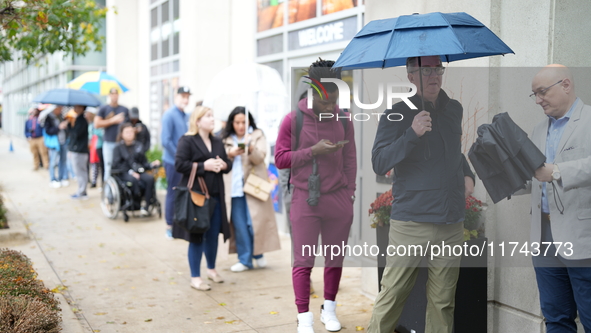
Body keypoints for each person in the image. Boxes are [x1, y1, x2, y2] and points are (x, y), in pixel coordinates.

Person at [367, 56, 475, 333]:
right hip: (412, 220)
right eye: (426, 70)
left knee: (443, 302)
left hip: (451, 219)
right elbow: (379, 162)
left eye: (437, 69)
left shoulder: (454, 109)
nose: (434, 76)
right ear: (411, 76)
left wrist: (468, 174)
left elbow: (454, 151)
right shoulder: (396, 113)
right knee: (393, 295)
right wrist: (411, 133)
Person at [275, 59, 357, 333]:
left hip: (338, 199)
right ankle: (304, 318)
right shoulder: (293, 120)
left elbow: (350, 159)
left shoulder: (343, 118)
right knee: (303, 261)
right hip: (304, 198)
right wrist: (313, 151)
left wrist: (350, 195)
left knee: (335, 259)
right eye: (324, 100)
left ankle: (329, 310)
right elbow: (280, 159)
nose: (329, 106)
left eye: (334, 98)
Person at [515, 65, 591, 332]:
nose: (538, 100)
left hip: (582, 237)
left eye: (542, 92)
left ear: (566, 85)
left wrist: (557, 171)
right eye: (534, 95)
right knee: (556, 319)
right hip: (543, 237)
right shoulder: (538, 130)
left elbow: (553, 172)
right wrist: (504, 179)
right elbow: (534, 176)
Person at [174, 106, 232, 291]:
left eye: (212, 116)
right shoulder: (187, 140)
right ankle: (195, 277)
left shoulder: (217, 141)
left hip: (215, 196)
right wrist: (203, 166)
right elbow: (179, 164)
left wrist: (224, 165)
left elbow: (228, 164)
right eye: (208, 116)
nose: (212, 119)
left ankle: (211, 269)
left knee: (213, 235)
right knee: (197, 236)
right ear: (197, 121)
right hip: (196, 197)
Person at [222, 107, 281, 272]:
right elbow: (220, 158)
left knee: (254, 222)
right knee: (239, 225)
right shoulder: (226, 138)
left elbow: (260, 158)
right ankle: (245, 259)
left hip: (254, 186)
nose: (240, 126)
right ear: (232, 123)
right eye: (237, 122)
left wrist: (250, 147)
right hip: (234, 188)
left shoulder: (257, 135)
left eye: (243, 122)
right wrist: (231, 153)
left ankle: (258, 254)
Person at [111, 123, 160, 216]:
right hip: (124, 173)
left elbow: (143, 162)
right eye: (127, 132)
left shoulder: (138, 146)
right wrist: (131, 172)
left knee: (150, 179)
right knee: (133, 180)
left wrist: (151, 164)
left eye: (131, 132)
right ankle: (133, 203)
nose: (130, 134)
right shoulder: (117, 148)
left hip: (138, 171)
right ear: (122, 134)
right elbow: (116, 165)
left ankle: (147, 206)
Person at [162, 86, 191, 239]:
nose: (185, 100)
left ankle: (178, 223)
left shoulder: (185, 115)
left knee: (182, 192)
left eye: (187, 97)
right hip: (172, 162)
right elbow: (165, 141)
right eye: (182, 96)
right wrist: (180, 155)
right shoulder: (169, 115)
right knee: (173, 193)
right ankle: (169, 225)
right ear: (176, 96)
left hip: (182, 162)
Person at [95, 88, 129, 180]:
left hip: (121, 143)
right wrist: (112, 120)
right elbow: (97, 124)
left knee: (122, 166)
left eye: (116, 94)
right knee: (108, 167)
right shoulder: (104, 108)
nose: (114, 96)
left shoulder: (124, 109)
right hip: (109, 142)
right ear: (109, 95)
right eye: (112, 94)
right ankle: (108, 191)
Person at [40, 105, 70, 188]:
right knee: (53, 161)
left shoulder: (61, 116)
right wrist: (58, 127)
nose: (61, 110)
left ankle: (61, 178)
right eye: (60, 108)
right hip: (54, 143)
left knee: (63, 161)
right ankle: (53, 179)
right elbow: (48, 130)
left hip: (63, 141)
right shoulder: (49, 118)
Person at [66, 105, 89, 200]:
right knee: (79, 171)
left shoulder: (81, 121)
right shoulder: (79, 120)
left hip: (80, 150)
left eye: (78, 107)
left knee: (80, 172)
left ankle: (82, 191)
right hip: (79, 150)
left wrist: (68, 126)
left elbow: (76, 134)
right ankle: (81, 190)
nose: (75, 108)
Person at [86, 108, 104, 189]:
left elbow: (101, 134)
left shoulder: (98, 124)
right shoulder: (90, 125)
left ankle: (103, 183)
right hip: (93, 146)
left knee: (100, 165)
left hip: (99, 145)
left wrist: (95, 132)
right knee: (94, 164)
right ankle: (94, 181)